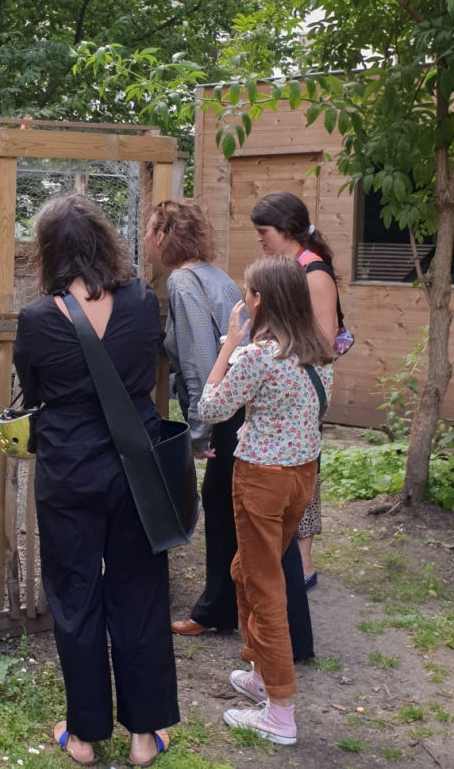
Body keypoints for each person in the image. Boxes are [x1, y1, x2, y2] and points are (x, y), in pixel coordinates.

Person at [14, 194, 178, 768]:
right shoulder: (141, 303)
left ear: (49, 252)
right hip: (137, 468)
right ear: (107, 242)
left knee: (75, 596)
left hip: (69, 471)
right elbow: (150, 369)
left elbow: (31, 392)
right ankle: (143, 736)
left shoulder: (36, 319)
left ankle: (83, 736)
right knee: (140, 591)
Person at [144, 201, 314, 658]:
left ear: (163, 237)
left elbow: (202, 360)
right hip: (249, 405)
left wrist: (201, 433)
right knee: (244, 520)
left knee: (227, 516)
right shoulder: (215, 275)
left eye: (150, 232)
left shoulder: (182, 281)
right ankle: (242, 615)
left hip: (226, 408)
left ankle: (226, 615)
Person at [199, 255, 334, 745]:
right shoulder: (318, 353)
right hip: (302, 477)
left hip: (261, 480)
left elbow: (211, 406)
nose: (244, 300)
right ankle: (260, 673)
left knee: (265, 587)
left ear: (261, 300)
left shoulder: (258, 356)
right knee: (247, 570)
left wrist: (230, 344)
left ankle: (279, 713)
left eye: (247, 293)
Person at [250, 191, 342, 589]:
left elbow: (326, 341)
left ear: (287, 231)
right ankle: (293, 561)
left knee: (303, 472)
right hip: (283, 386)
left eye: (264, 231)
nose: (259, 238)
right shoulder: (289, 266)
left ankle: (303, 565)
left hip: (299, 390)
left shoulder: (314, 272)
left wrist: (276, 355)